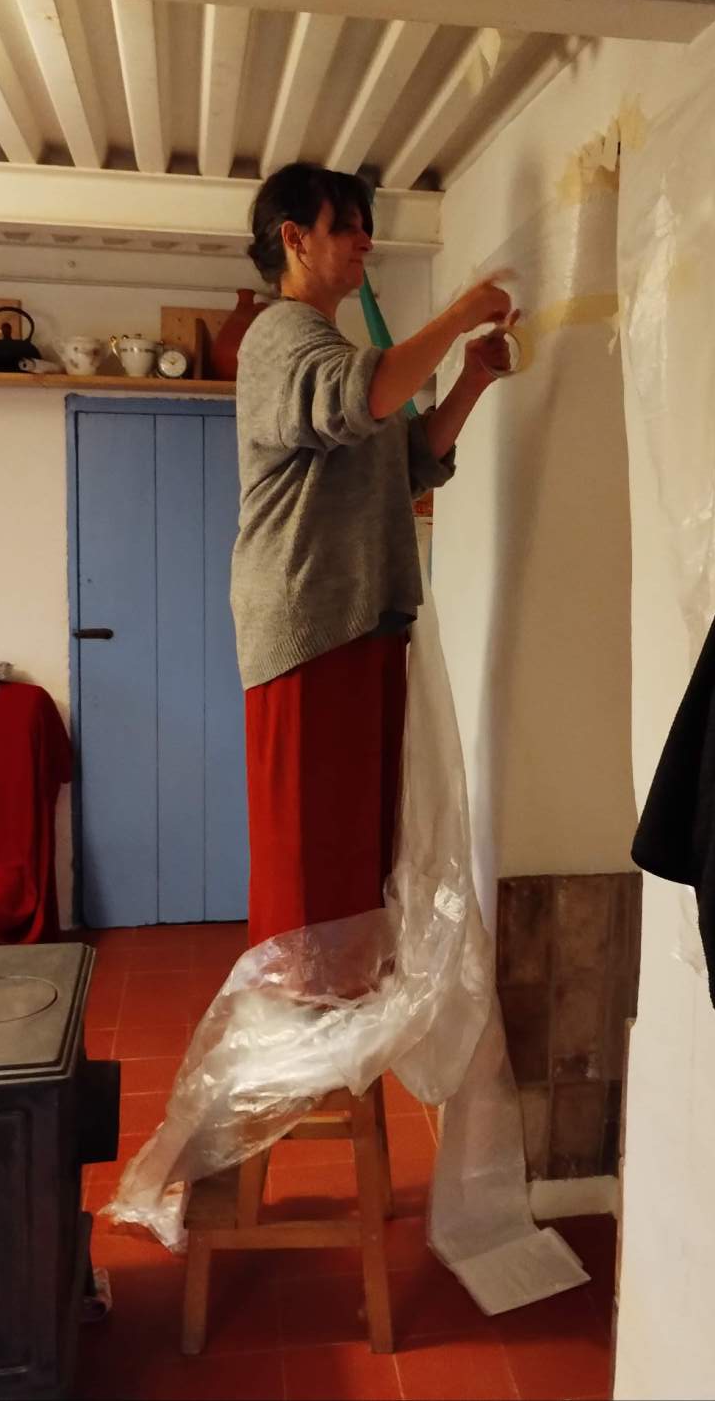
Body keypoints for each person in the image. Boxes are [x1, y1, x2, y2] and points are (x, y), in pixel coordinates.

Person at [230, 161, 515, 954]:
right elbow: (365, 396)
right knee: (310, 861)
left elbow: (407, 461)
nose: (365, 241)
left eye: (366, 227)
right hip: (311, 623)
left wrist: (472, 378)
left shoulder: (331, 349)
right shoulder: (280, 335)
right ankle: (303, 1021)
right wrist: (458, 315)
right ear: (295, 240)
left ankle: (345, 1013)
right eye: (346, 226)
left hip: (356, 620)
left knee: (356, 851)